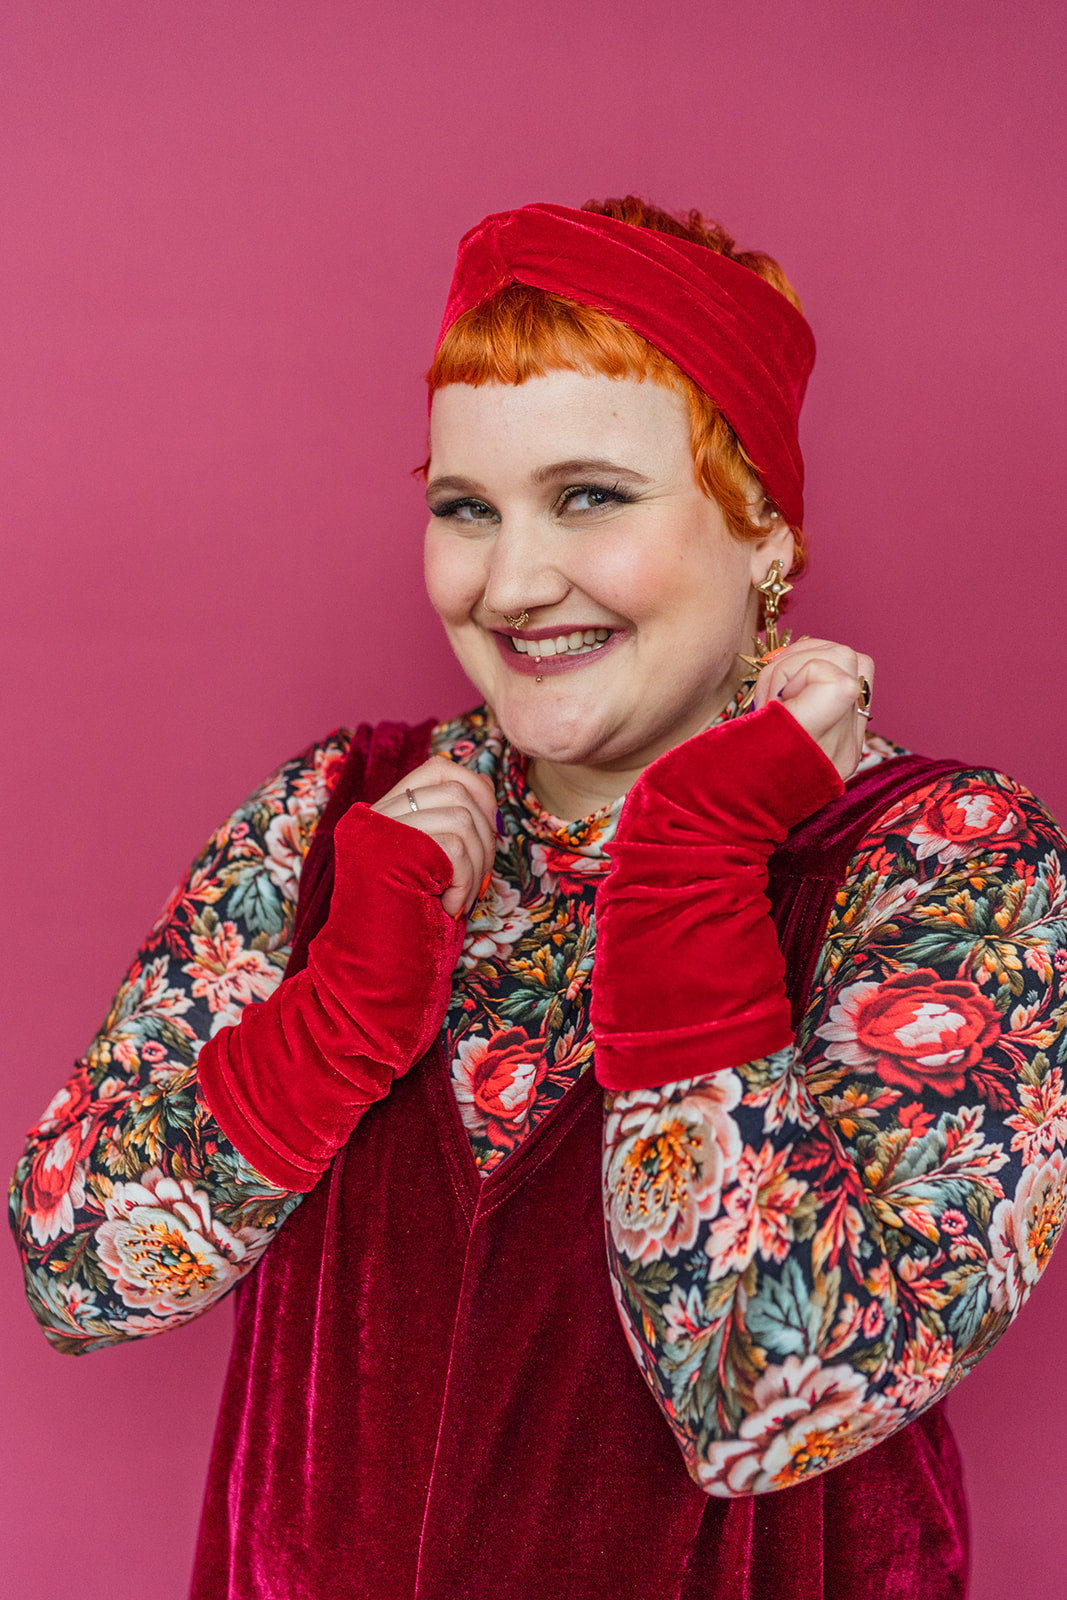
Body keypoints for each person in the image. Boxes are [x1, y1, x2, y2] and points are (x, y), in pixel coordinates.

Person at [10, 197, 1067, 1600]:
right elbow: (74, 1277)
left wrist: (694, 856)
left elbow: (773, 1400)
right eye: (466, 509)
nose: (511, 581)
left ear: (765, 532)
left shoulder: (948, 855)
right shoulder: (343, 818)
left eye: (589, 496)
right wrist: (339, 1014)